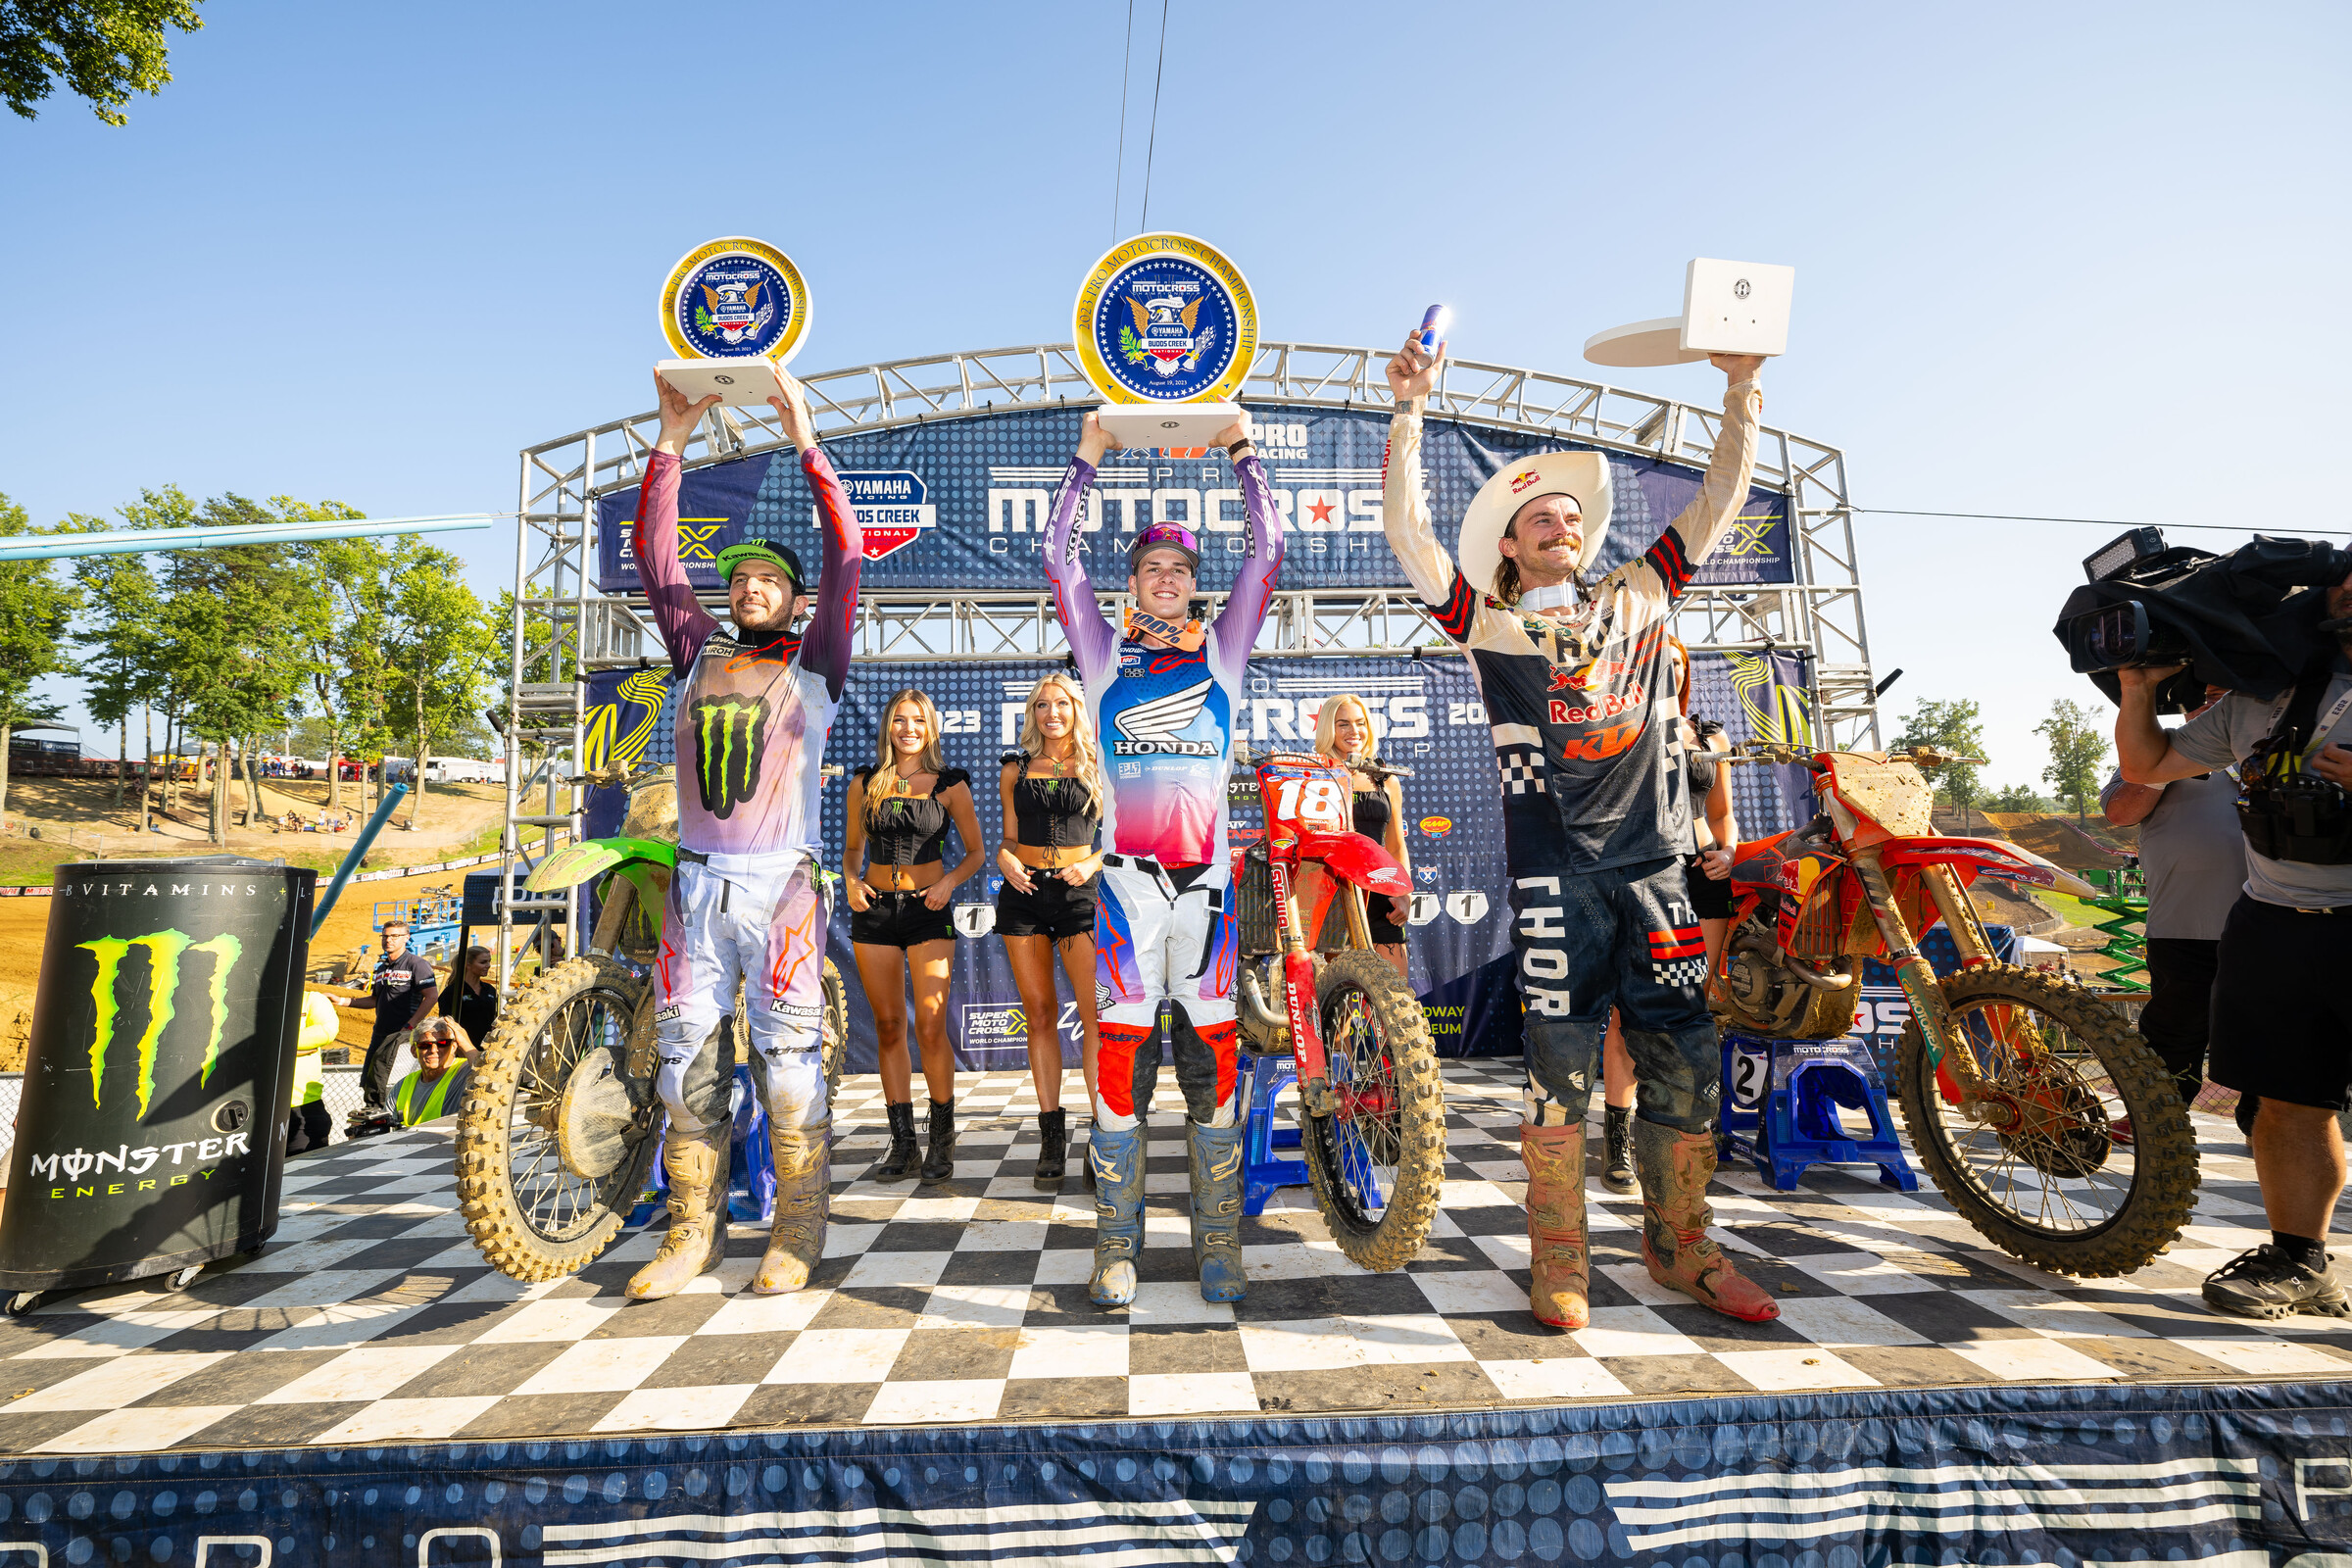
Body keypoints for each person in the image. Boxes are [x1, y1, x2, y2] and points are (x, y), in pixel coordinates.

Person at [1383, 326, 1773, 1330]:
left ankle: (1682, 1246)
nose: (1557, 523)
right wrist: (1411, 408)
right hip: (1556, 878)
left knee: (1681, 1054)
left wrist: (1740, 393)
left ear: (1584, 536)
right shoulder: (1489, 625)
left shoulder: (1640, 599)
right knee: (1558, 1067)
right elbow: (1408, 536)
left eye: (1568, 515)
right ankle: (1560, 1257)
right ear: (1510, 548)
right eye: (1535, 519)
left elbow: (1718, 502)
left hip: (1659, 870)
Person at [626, 365, 862, 1301]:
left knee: (791, 1072)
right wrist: (670, 443)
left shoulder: (816, 665)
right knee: (685, 1066)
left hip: (783, 893)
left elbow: (846, 555)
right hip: (696, 890)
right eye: (744, 578)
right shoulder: (696, 656)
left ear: (797, 603)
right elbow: (657, 562)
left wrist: (804, 434)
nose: (754, 587)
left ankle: (797, 1231)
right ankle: (692, 1235)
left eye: (772, 580)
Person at [1045, 408, 1282, 1307]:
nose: (1168, 579)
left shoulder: (1222, 653)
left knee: (1214, 1064)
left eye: (1182, 568)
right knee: (1117, 1063)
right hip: (1125, 893)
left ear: (1194, 584)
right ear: (1133, 584)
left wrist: (1242, 451)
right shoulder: (1102, 658)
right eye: (1152, 568)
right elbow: (1057, 562)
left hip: (1211, 892)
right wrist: (1090, 456)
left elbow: (1267, 556)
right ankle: (1117, 1247)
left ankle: (1219, 1246)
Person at [2115, 570, 2352, 1321]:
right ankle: (2299, 1259)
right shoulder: (2263, 696)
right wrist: (2137, 689)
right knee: (2288, 1100)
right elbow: (2145, 767)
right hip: (2274, 920)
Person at [1601, 651, 1740, 1195]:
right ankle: (1618, 1141)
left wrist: (1728, 852)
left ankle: (1685, 1131)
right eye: (1662, 664)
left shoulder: (1711, 737)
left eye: (1679, 665)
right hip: (1644, 874)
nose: (1672, 674)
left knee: (1693, 1006)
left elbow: (1722, 815)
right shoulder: (1618, 726)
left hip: (1705, 875)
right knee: (1628, 1013)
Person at [845, 690, 984, 1185]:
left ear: (930, 728)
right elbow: (852, 849)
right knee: (887, 1027)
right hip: (876, 913)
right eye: (900, 720)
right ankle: (902, 1143)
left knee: (929, 1024)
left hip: (929, 910)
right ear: (888, 726)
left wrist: (947, 884)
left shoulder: (951, 785)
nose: (908, 729)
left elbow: (976, 853)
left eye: (918, 721)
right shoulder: (865, 783)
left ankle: (941, 1137)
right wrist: (851, 881)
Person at [2101, 685, 2253, 1133]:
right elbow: (2120, 813)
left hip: (2267, 922)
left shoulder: (2271, 750)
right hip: (2181, 925)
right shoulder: (2155, 753)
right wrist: (2165, 763)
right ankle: (2155, 1116)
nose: (2214, 705)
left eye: (2227, 696)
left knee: (2265, 1029)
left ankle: (2263, 1124)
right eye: (2204, 697)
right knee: (2171, 1030)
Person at [996, 671, 1107, 1190]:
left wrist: (1093, 864)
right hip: (1023, 896)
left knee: (1093, 1018)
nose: (1052, 713)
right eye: (1042, 705)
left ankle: (1105, 1133)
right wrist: (1003, 858)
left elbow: (1122, 834)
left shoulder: (1099, 763)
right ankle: (1049, 1136)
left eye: (1061, 703)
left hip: (1080, 894)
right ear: (1032, 713)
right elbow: (1009, 839)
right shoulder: (1014, 769)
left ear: (1076, 709)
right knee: (1039, 1015)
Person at [1298, 693, 1413, 977]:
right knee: (1338, 1006)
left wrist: (1404, 893)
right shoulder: (1312, 775)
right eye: (1344, 724)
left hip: (1380, 895)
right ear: (1328, 728)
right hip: (1332, 895)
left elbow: (1397, 844)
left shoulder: (1385, 779)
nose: (1354, 731)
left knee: (1396, 1000)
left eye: (1360, 723)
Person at [333, 919, 439, 1119]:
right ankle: (374, 1116)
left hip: (402, 1033)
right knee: (370, 1078)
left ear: (406, 938)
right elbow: (374, 999)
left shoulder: (417, 964)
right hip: (380, 1032)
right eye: (385, 936)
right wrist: (345, 1001)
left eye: (394, 936)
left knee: (387, 1078)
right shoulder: (381, 968)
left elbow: (431, 996)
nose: (388, 940)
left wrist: (410, 1026)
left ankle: (393, 1115)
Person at [393, 1017, 474, 1126]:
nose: (433, 1050)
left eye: (442, 1043)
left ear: (453, 1047)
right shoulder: (402, 1086)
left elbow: (489, 1074)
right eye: (425, 1045)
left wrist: (466, 1044)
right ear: (414, 1051)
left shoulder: (466, 1071)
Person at [287, 990, 338, 1155]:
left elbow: (326, 1030)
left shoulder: (311, 999)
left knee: (302, 1174)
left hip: (303, 1108)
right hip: (254, 1108)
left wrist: (274, 1044)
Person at [439, 945, 500, 1049]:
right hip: (462, 1051)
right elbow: (445, 1026)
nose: (488, 965)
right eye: (483, 962)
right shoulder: (452, 992)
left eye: (489, 961)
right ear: (468, 965)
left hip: (488, 1050)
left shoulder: (489, 990)